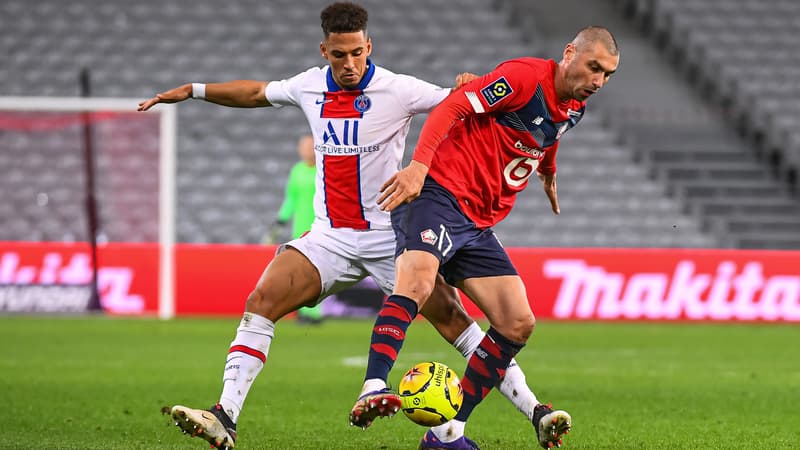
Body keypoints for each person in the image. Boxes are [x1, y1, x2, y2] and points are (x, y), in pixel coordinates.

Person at [138, 3, 547, 449]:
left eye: (357, 53)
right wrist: (195, 90)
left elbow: (460, 105)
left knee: (457, 324)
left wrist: (470, 87)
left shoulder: (400, 89)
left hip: (391, 235)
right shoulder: (308, 86)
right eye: (339, 55)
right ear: (324, 50)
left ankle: (534, 410)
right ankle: (224, 417)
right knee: (262, 300)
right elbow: (255, 93)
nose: (349, 64)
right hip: (329, 236)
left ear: (369, 46)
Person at [357, 26, 620, 449]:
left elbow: (548, 134)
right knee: (419, 283)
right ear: (569, 52)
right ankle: (372, 386)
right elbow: (455, 106)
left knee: (518, 323)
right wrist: (420, 167)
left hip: (477, 224)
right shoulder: (523, 77)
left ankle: (447, 432)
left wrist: (549, 173)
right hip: (437, 194)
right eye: (593, 68)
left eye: (607, 75)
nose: (598, 81)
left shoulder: (574, 108)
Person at [264, 134, 323, 323]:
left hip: (321, 226)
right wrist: (281, 220)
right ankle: (304, 311)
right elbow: (291, 198)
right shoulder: (297, 170)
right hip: (300, 226)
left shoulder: (324, 168)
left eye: (310, 145)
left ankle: (314, 313)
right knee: (301, 270)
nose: (306, 149)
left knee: (318, 269)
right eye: (303, 146)